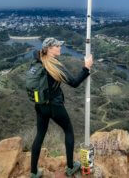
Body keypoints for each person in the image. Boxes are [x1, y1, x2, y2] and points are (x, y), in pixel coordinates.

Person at [30, 37, 93, 178]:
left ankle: (33, 172)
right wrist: (86, 67)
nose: (60, 48)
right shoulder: (55, 65)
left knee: (39, 135)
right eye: (57, 46)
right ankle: (70, 167)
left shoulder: (38, 61)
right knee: (69, 131)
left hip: (40, 106)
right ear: (50, 48)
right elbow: (75, 82)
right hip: (54, 106)